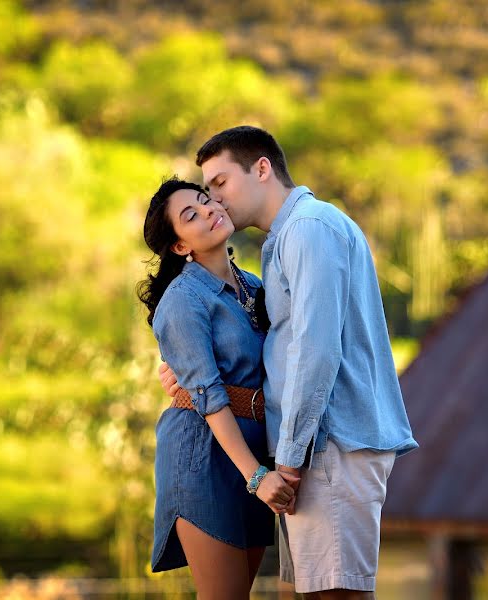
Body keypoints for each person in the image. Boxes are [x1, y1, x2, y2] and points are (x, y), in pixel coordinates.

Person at [158, 126, 418, 599]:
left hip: (327, 445)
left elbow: (315, 352)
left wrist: (289, 463)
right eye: (202, 198)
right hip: (293, 452)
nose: (215, 203)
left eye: (217, 186)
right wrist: (186, 371)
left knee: (334, 594)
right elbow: (268, 352)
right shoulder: (282, 245)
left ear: (261, 169)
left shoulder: (307, 232)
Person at [137, 177, 298, 600]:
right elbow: (207, 396)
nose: (209, 210)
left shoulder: (254, 286)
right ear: (179, 246)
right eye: (191, 214)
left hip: (252, 450)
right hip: (204, 455)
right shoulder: (184, 298)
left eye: (206, 200)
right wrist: (257, 476)